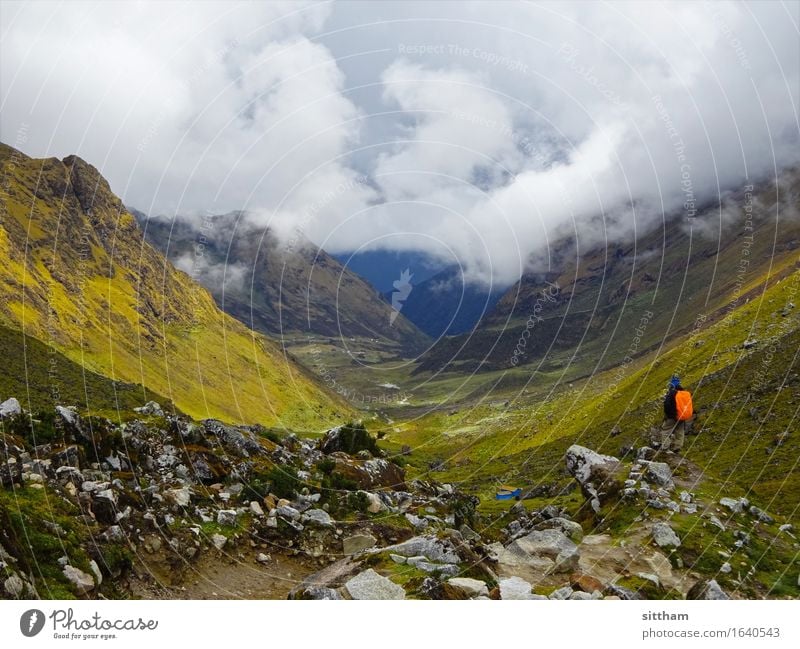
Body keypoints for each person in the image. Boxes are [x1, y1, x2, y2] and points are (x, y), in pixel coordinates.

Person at [660, 375, 693, 453]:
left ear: (672, 384)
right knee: (680, 431)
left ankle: (665, 448)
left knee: (665, 430)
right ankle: (677, 447)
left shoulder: (671, 393)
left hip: (672, 417)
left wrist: (669, 416)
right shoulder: (685, 393)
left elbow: (667, 405)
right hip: (682, 416)